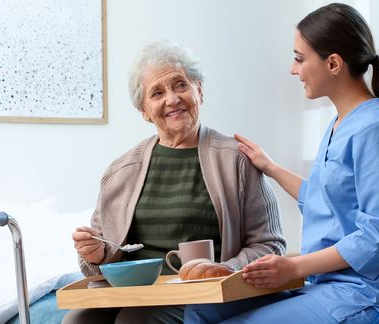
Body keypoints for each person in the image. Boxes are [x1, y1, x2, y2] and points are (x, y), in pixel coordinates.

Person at [62, 41, 286, 324]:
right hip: (134, 294)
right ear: (144, 110)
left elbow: (270, 244)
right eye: (157, 92)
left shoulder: (236, 160)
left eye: (180, 85)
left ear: (199, 91)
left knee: (135, 322)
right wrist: (96, 255)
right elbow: (95, 266)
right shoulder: (120, 172)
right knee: (78, 321)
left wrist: (224, 269)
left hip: (204, 295)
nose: (172, 99)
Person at [183, 3, 379, 323]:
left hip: (359, 292)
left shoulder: (372, 128)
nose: (293, 69)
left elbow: (374, 236)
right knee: (200, 310)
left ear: (333, 63)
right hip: (320, 284)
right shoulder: (337, 124)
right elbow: (323, 200)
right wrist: (269, 166)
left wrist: (292, 266)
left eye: (299, 58)